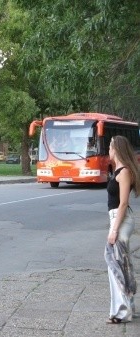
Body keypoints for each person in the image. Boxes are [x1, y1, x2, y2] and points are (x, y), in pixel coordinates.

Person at [104, 135, 140, 324]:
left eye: (110, 146)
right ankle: (128, 308)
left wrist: (114, 230)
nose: (108, 150)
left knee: (115, 266)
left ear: (116, 149)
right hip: (118, 218)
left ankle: (121, 312)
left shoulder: (124, 171)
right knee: (122, 265)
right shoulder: (118, 170)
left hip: (121, 220)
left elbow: (124, 203)